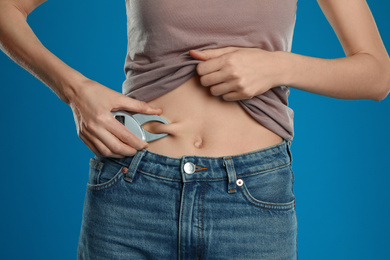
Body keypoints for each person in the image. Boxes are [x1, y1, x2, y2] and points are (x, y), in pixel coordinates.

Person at [0, 0, 389, 259]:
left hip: (251, 200)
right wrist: (76, 92)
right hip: (133, 190)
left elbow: (377, 74)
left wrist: (277, 66)